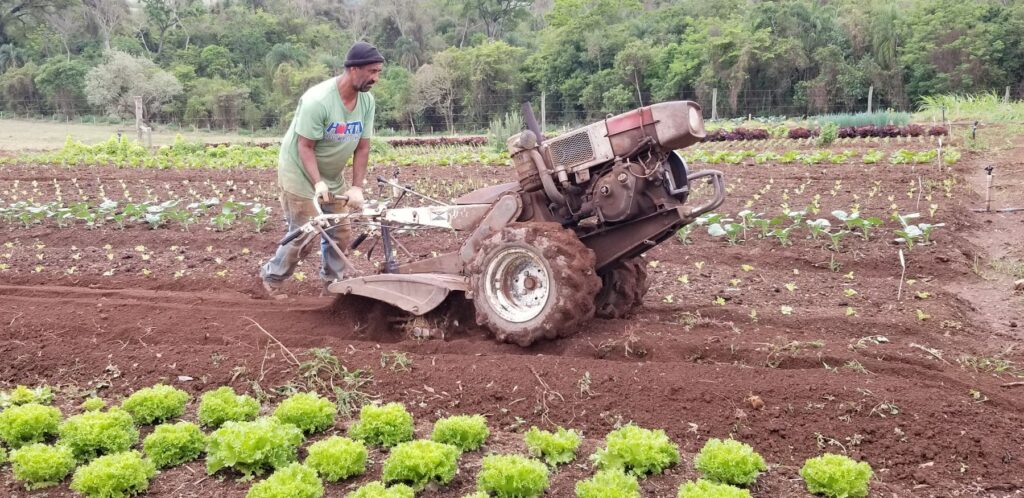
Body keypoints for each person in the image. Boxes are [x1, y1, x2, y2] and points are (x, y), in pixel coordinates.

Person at [260, 41, 384, 299]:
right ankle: (271, 278)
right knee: (304, 232)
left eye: (378, 72)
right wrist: (317, 183)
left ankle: (332, 285)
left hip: (332, 175)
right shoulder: (317, 101)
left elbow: (362, 147)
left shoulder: (367, 102)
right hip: (299, 173)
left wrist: (357, 187)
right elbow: (305, 146)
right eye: (371, 71)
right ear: (353, 69)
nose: (375, 78)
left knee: (341, 231)